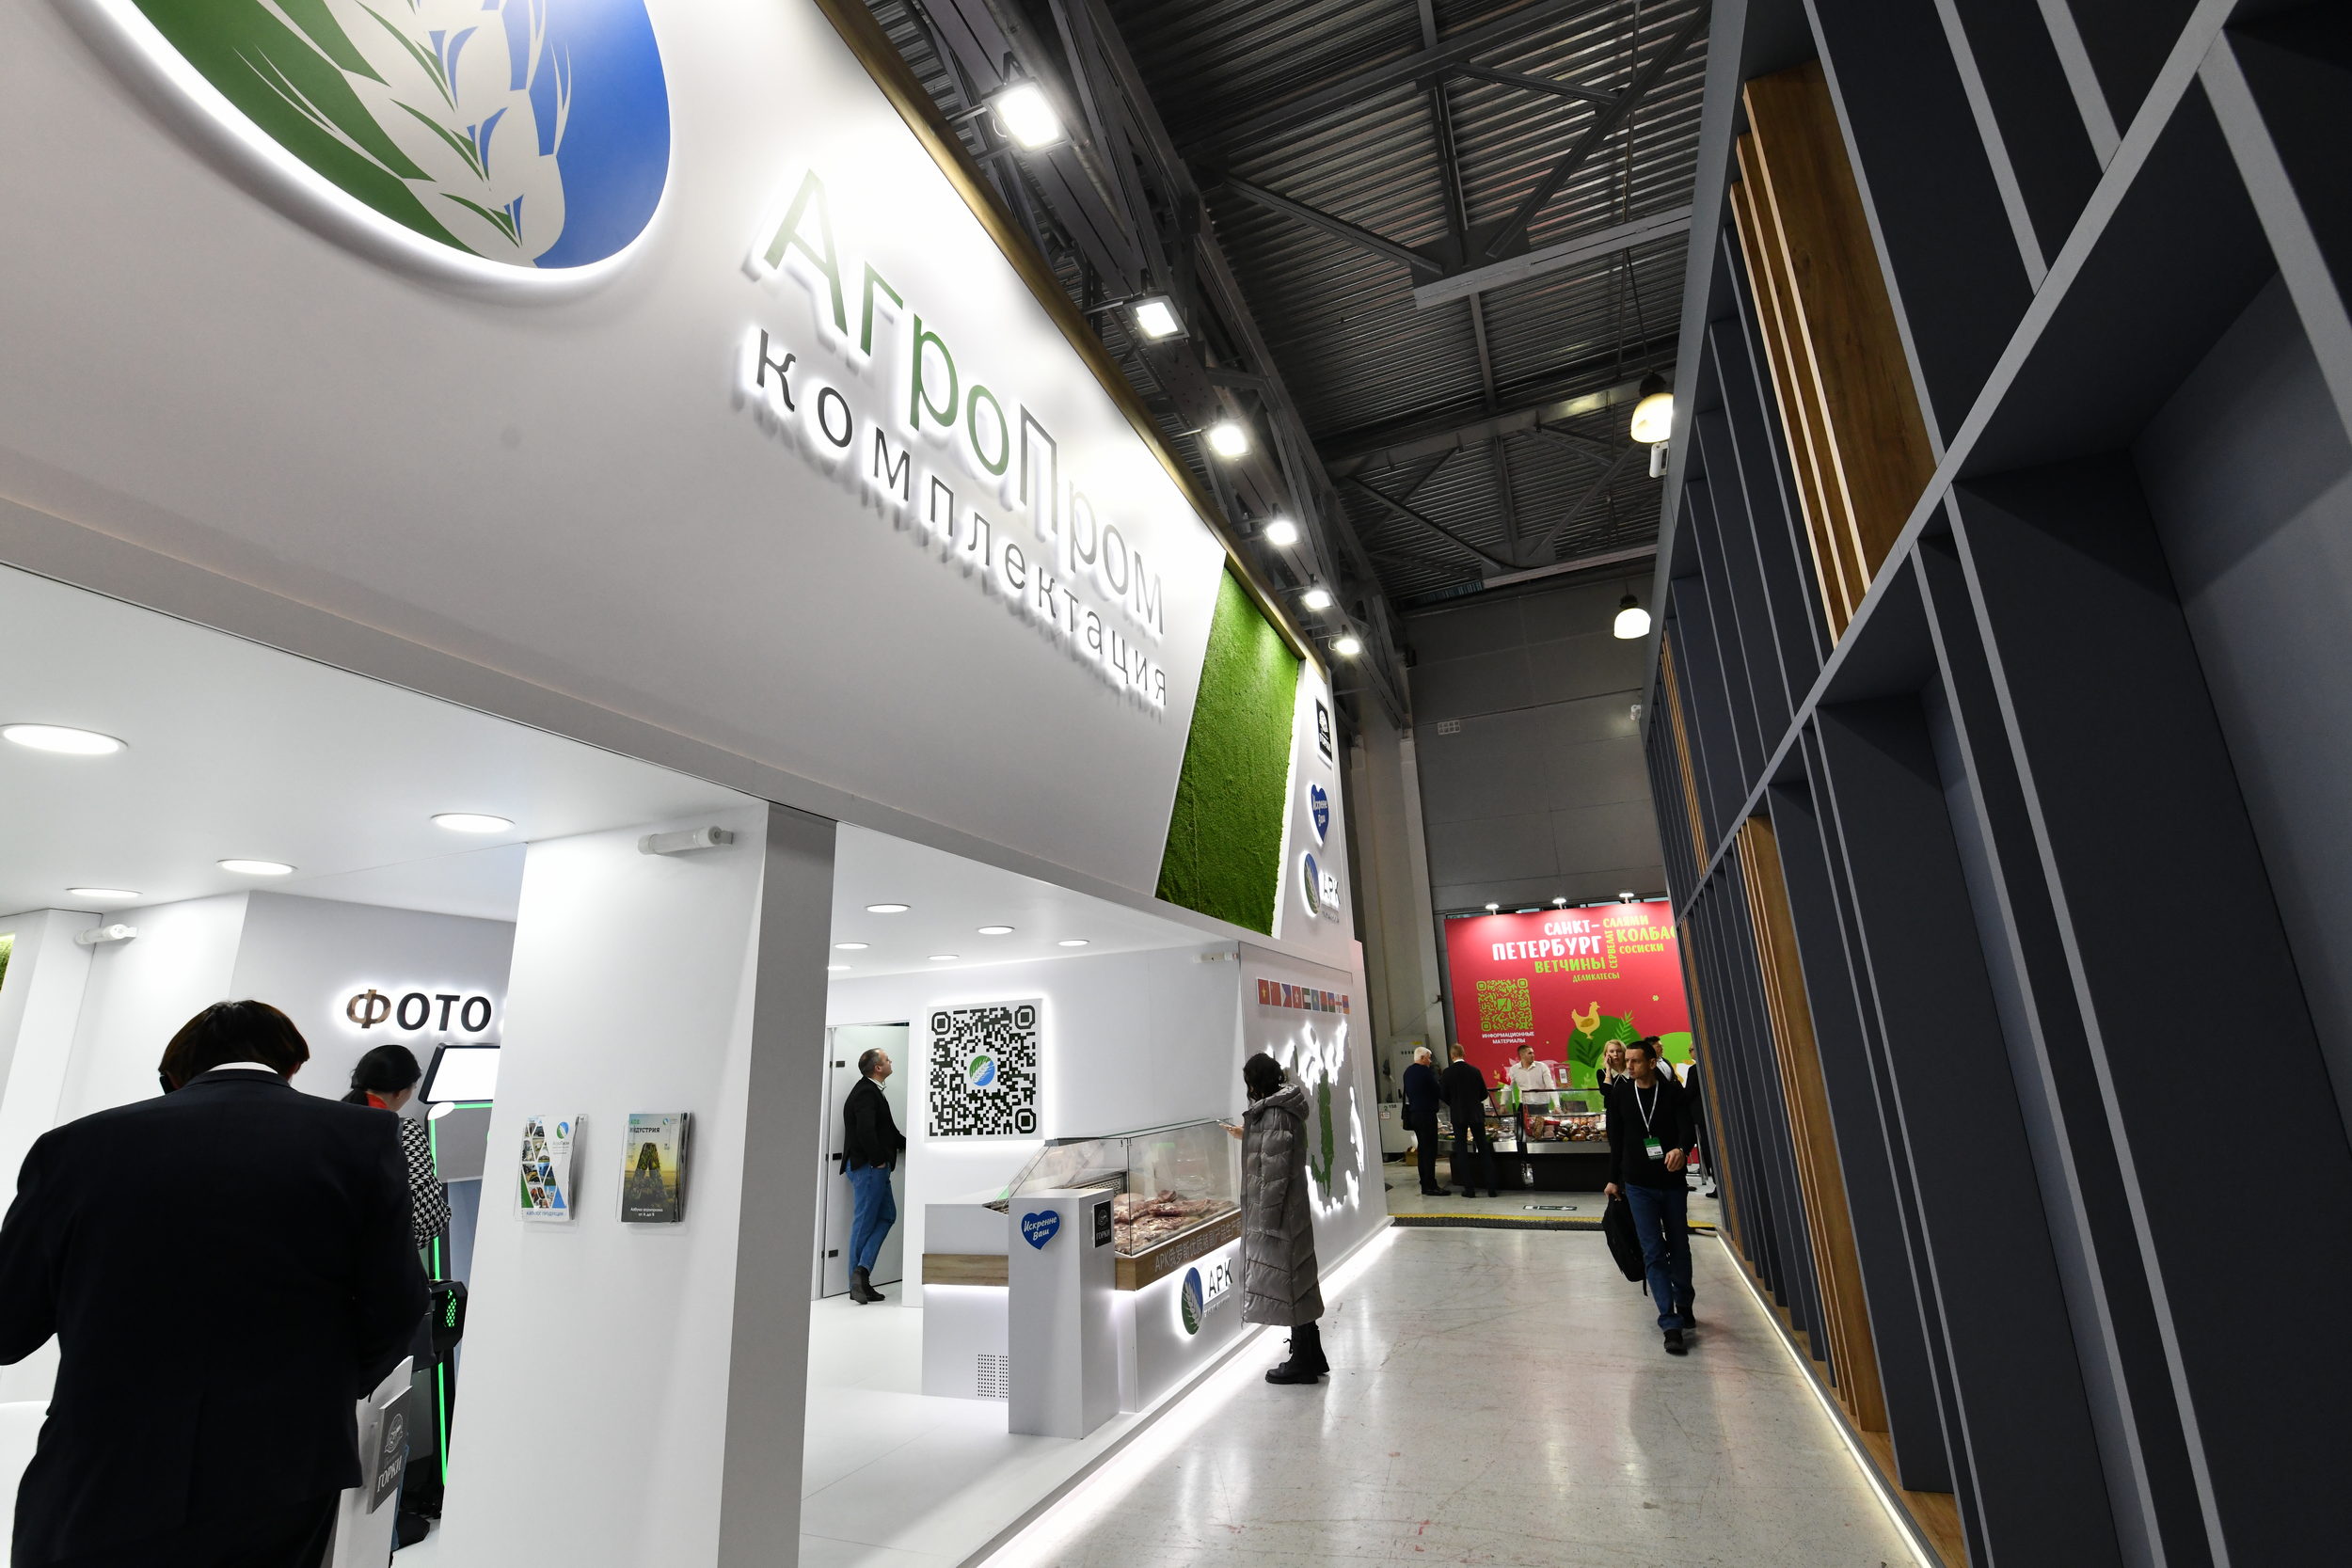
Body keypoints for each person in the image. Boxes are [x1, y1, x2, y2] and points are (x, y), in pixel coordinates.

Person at [0, 1000, 425, 1568]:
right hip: (283, 1463)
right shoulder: (362, 1138)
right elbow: (398, 1305)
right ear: (292, 1065)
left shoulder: (72, 1146)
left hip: (103, 1462)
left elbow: (8, 1324)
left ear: (175, 1073)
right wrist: (318, 1388)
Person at [1226, 1053, 1327, 1384]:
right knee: (1298, 1283)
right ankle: (1311, 1355)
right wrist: (1247, 1133)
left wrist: (1264, 1221)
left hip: (1279, 1215)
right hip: (1290, 1209)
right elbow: (1274, 1152)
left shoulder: (1274, 1113)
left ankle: (1302, 1362)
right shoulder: (1281, 1109)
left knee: (1290, 1285)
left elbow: (1273, 1173)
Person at [1604, 1037, 1699, 1354]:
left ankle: (1684, 1301)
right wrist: (1613, 1180)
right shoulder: (1621, 1093)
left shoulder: (1672, 1092)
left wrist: (1681, 1149)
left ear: (1651, 1063)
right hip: (1637, 1184)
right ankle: (1669, 1321)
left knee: (1679, 1245)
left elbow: (1687, 1129)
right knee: (1653, 1251)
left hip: (1672, 1183)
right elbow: (1616, 1138)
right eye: (1627, 1060)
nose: (1628, 1065)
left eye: (1634, 1061)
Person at [342, 1043, 452, 1253]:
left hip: (328, 1259)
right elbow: (426, 1214)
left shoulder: (329, 1125)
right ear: (400, 1092)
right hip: (380, 1260)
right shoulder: (403, 1131)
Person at [842, 1046, 905, 1305]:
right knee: (864, 1224)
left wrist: (915, 1147)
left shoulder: (872, 1092)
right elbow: (865, 1130)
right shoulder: (866, 1092)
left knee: (887, 1216)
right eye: (887, 1059)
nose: (891, 1061)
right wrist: (878, 1160)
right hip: (868, 1168)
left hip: (872, 1168)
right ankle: (856, 1284)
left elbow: (888, 1131)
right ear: (878, 1068)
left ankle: (861, 1272)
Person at [1440, 1043, 1499, 1198]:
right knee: (1483, 1149)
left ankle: (1469, 1189)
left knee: (1462, 1151)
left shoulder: (1447, 1073)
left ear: (1452, 1056)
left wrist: (1454, 1103)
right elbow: (1484, 1094)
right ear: (1464, 1054)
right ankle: (1491, 1188)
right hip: (1476, 1115)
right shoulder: (1475, 1071)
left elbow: (1443, 1095)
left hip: (1458, 1115)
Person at [1400, 1046, 1444, 1196]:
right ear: (1422, 1058)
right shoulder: (1425, 1072)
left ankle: (1424, 1182)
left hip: (1414, 1115)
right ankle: (1431, 1185)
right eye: (1429, 1058)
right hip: (1426, 1115)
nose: (1430, 1061)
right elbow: (1438, 1091)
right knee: (1430, 1150)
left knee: (1422, 1150)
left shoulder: (1407, 1072)